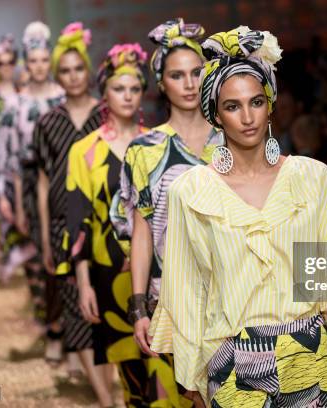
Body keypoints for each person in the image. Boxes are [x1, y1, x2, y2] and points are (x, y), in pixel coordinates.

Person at [147, 26, 327, 407]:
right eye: (232, 106)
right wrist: (192, 377)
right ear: (215, 116)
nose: (247, 117)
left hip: (311, 354)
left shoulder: (311, 178)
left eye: (256, 102)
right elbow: (187, 291)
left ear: (270, 103)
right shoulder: (193, 190)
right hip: (232, 363)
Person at [111, 18, 221, 407]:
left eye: (196, 73)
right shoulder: (145, 150)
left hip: (236, 290)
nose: (189, 84)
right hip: (173, 295)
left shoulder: (233, 136)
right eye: (177, 75)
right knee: (195, 396)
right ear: (162, 83)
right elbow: (141, 234)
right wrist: (139, 305)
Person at [66, 43, 150, 407]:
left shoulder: (157, 143)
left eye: (135, 89)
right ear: (105, 93)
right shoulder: (85, 150)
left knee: (169, 367)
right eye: (119, 88)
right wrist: (82, 283)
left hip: (157, 269)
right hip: (108, 269)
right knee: (132, 374)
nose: (127, 97)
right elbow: (77, 221)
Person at [32, 21, 108, 402]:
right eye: (66, 70)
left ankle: (113, 382)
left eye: (79, 68)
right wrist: (45, 236)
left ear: (88, 71)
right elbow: (44, 181)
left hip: (108, 226)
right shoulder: (47, 123)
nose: (73, 76)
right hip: (64, 224)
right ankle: (103, 394)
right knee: (75, 307)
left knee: (110, 302)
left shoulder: (107, 114)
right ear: (57, 75)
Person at [13, 21, 64, 346]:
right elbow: (17, 159)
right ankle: (53, 324)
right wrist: (18, 203)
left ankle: (67, 328)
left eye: (44, 60)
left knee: (68, 253)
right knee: (43, 253)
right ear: (25, 64)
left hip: (65, 179)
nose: (39, 66)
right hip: (33, 184)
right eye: (33, 61)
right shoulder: (17, 103)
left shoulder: (63, 96)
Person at [0, 34, 35, 282]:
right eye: (0, 62)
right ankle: (12, 256)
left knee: (26, 212)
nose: (6, 67)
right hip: (0, 160)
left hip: (22, 158)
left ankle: (26, 263)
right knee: (7, 214)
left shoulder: (23, 91)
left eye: (10, 61)